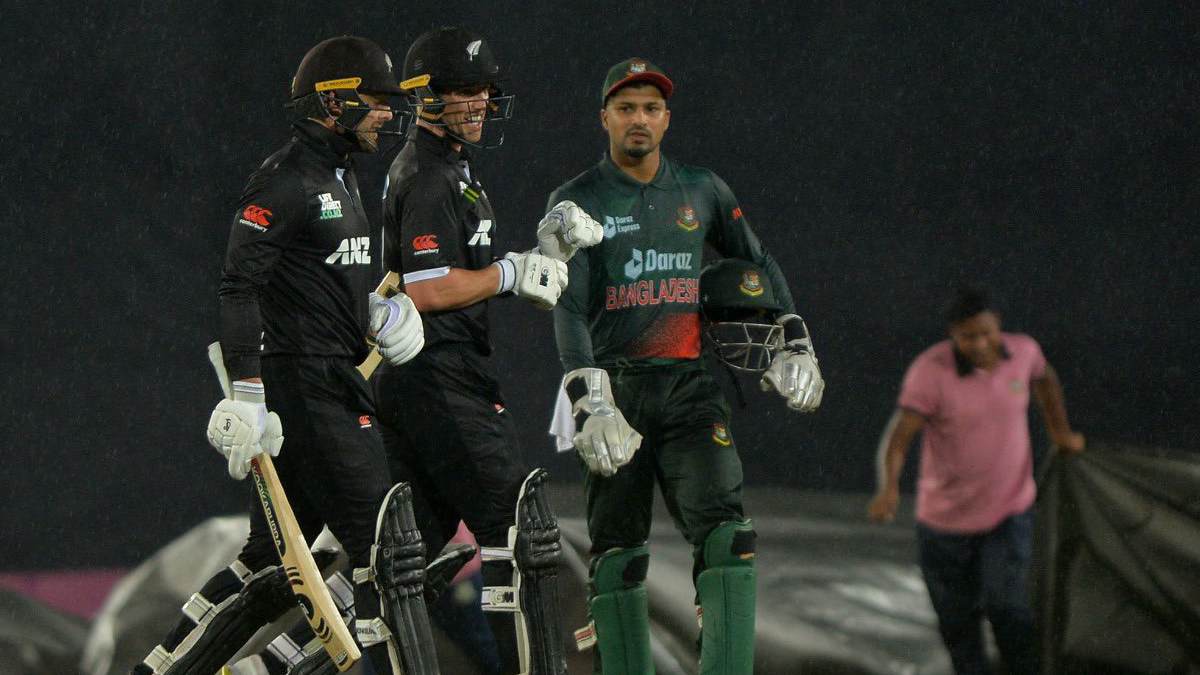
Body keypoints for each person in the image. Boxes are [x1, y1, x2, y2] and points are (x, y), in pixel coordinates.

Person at [133, 36, 440, 675]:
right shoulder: (287, 179)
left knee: (266, 561)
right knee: (388, 553)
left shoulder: (340, 175)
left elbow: (318, 278)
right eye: (377, 100)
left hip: (330, 378)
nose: (389, 113)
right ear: (334, 101)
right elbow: (239, 286)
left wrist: (375, 312)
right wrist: (248, 394)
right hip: (308, 387)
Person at [547, 58, 825, 675]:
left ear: (667, 119)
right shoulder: (576, 200)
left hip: (689, 388)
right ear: (604, 118)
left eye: (650, 108)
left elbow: (759, 260)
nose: (638, 119)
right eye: (626, 108)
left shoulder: (702, 190)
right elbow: (567, 304)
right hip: (615, 391)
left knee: (730, 538)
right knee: (618, 556)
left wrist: (794, 339)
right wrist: (588, 398)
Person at [372, 26, 603, 675]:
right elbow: (427, 287)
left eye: (483, 90)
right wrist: (510, 272)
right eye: (462, 90)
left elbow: (463, 271)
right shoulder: (428, 174)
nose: (478, 102)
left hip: (424, 378)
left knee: (408, 555)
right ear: (427, 96)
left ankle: (275, 662)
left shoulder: (449, 169)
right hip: (441, 375)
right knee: (518, 532)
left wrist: (538, 257)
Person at [867, 287, 1085, 675]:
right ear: (953, 334)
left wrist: (1061, 432)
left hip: (1008, 512)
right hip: (943, 525)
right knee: (958, 623)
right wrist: (888, 488)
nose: (980, 343)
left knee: (1009, 609)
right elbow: (899, 438)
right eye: (968, 336)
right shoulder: (930, 371)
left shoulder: (1025, 352)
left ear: (998, 325)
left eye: (986, 333)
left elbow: (1046, 380)